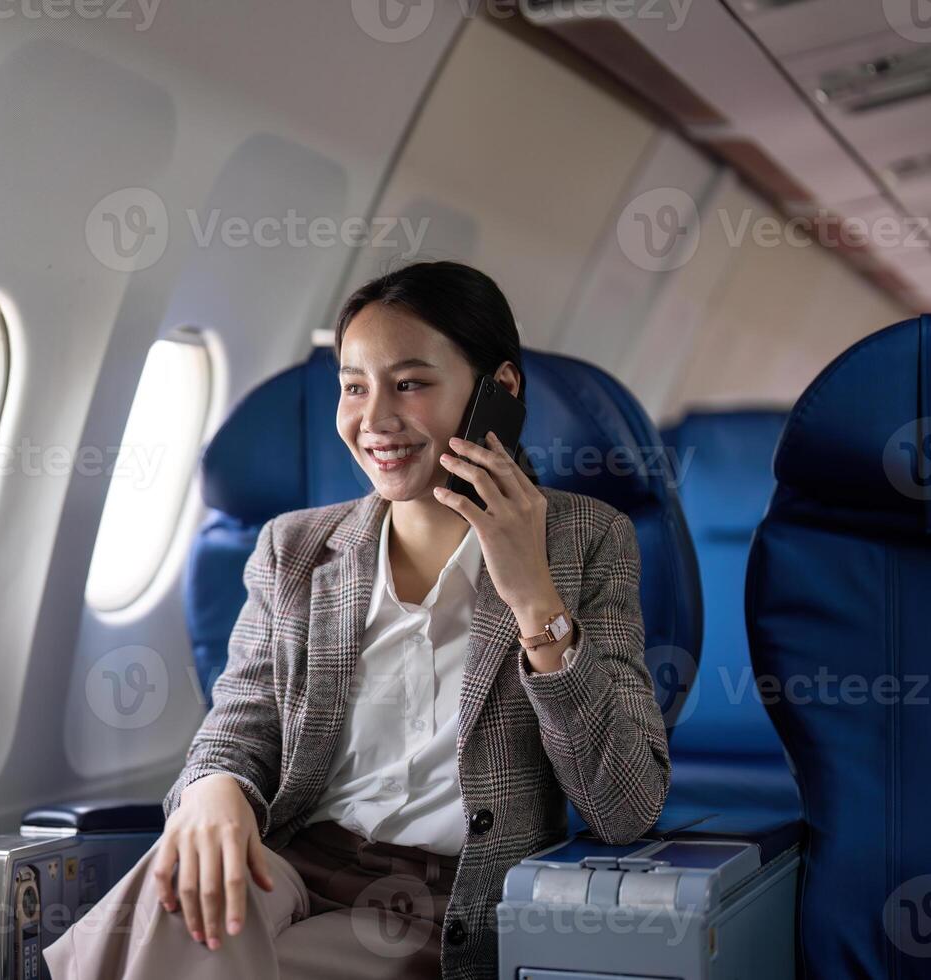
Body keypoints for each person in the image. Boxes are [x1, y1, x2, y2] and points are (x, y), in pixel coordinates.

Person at [43, 260, 670, 980]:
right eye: (353, 386)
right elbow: (238, 726)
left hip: (433, 904)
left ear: (499, 392)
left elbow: (627, 807)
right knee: (187, 873)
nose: (373, 421)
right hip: (291, 864)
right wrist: (213, 789)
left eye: (409, 384)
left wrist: (535, 600)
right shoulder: (295, 548)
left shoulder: (586, 540)